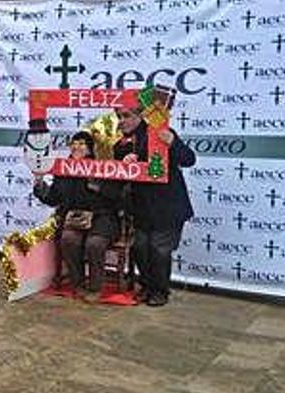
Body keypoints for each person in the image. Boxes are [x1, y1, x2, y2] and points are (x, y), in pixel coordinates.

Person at [114, 106, 196, 307]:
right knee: (140, 247)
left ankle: (160, 291)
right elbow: (118, 175)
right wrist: (125, 164)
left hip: (168, 205)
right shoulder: (121, 145)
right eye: (119, 116)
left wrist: (173, 143)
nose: (122, 120)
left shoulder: (161, 133)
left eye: (126, 116)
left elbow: (189, 159)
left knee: (159, 250)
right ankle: (147, 286)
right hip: (142, 208)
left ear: (140, 117)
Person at [33, 131, 123, 300]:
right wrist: (39, 184)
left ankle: (95, 288)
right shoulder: (64, 170)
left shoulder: (103, 167)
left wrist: (98, 187)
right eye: (74, 143)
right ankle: (78, 283)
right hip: (75, 218)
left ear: (90, 149)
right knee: (68, 240)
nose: (76, 146)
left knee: (94, 244)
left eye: (81, 143)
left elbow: (119, 197)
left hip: (102, 217)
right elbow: (53, 198)